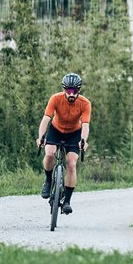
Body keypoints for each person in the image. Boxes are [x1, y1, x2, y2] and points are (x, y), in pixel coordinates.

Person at [36, 72, 91, 215]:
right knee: (49, 154)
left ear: (79, 90)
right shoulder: (55, 98)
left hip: (74, 134)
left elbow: (85, 125)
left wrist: (83, 140)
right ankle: (48, 181)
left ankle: (67, 201)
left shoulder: (85, 103)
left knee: (71, 164)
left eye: (75, 91)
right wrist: (41, 137)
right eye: (69, 90)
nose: (71, 94)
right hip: (56, 130)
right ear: (63, 89)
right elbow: (46, 119)